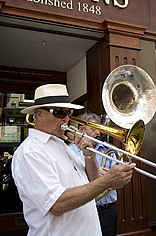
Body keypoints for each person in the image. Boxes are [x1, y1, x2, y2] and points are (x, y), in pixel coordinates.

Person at [11, 84, 135, 236]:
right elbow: (56, 204)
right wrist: (107, 181)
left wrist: (88, 153)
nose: (66, 119)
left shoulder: (61, 145)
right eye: (59, 112)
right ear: (39, 114)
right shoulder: (31, 151)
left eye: (68, 113)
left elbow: (93, 181)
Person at [70, 113, 118, 236]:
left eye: (99, 129)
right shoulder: (71, 151)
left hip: (108, 209)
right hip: (83, 209)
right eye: (93, 129)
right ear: (82, 129)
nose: (98, 133)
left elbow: (116, 182)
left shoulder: (109, 150)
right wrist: (93, 171)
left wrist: (107, 177)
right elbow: (69, 182)